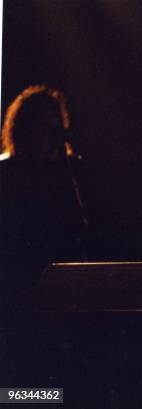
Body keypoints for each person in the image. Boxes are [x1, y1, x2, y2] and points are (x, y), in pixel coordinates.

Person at [0, 85, 88, 317]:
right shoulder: (6, 172)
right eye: (41, 128)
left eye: (53, 124)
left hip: (63, 272)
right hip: (19, 272)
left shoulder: (71, 169)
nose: (48, 132)